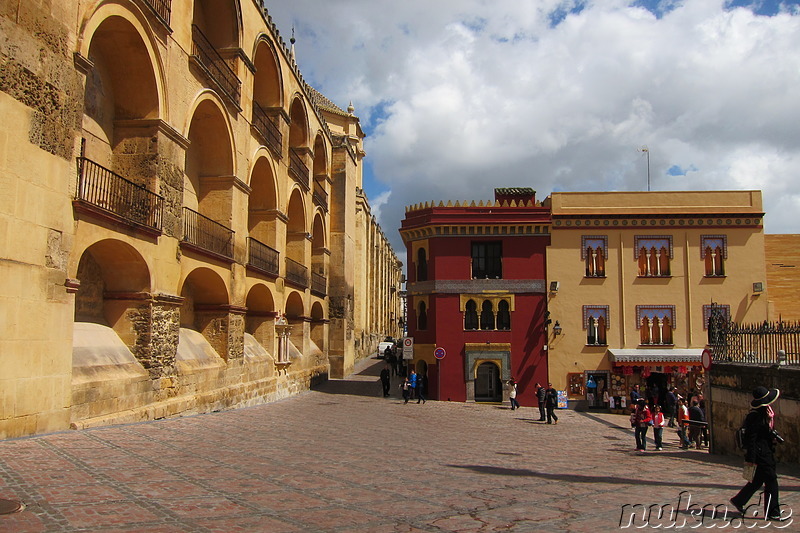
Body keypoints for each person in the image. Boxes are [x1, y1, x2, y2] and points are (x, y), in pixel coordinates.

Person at [730, 386, 786, 522]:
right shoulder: (754, 417)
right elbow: (752, 439)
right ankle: (773, 512)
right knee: (771, 481)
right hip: (761, 455)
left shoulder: (764, 416)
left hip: (765, 452)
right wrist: (751, 459)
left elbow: (763, 435)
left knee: (757, 481)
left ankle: (739, 500)